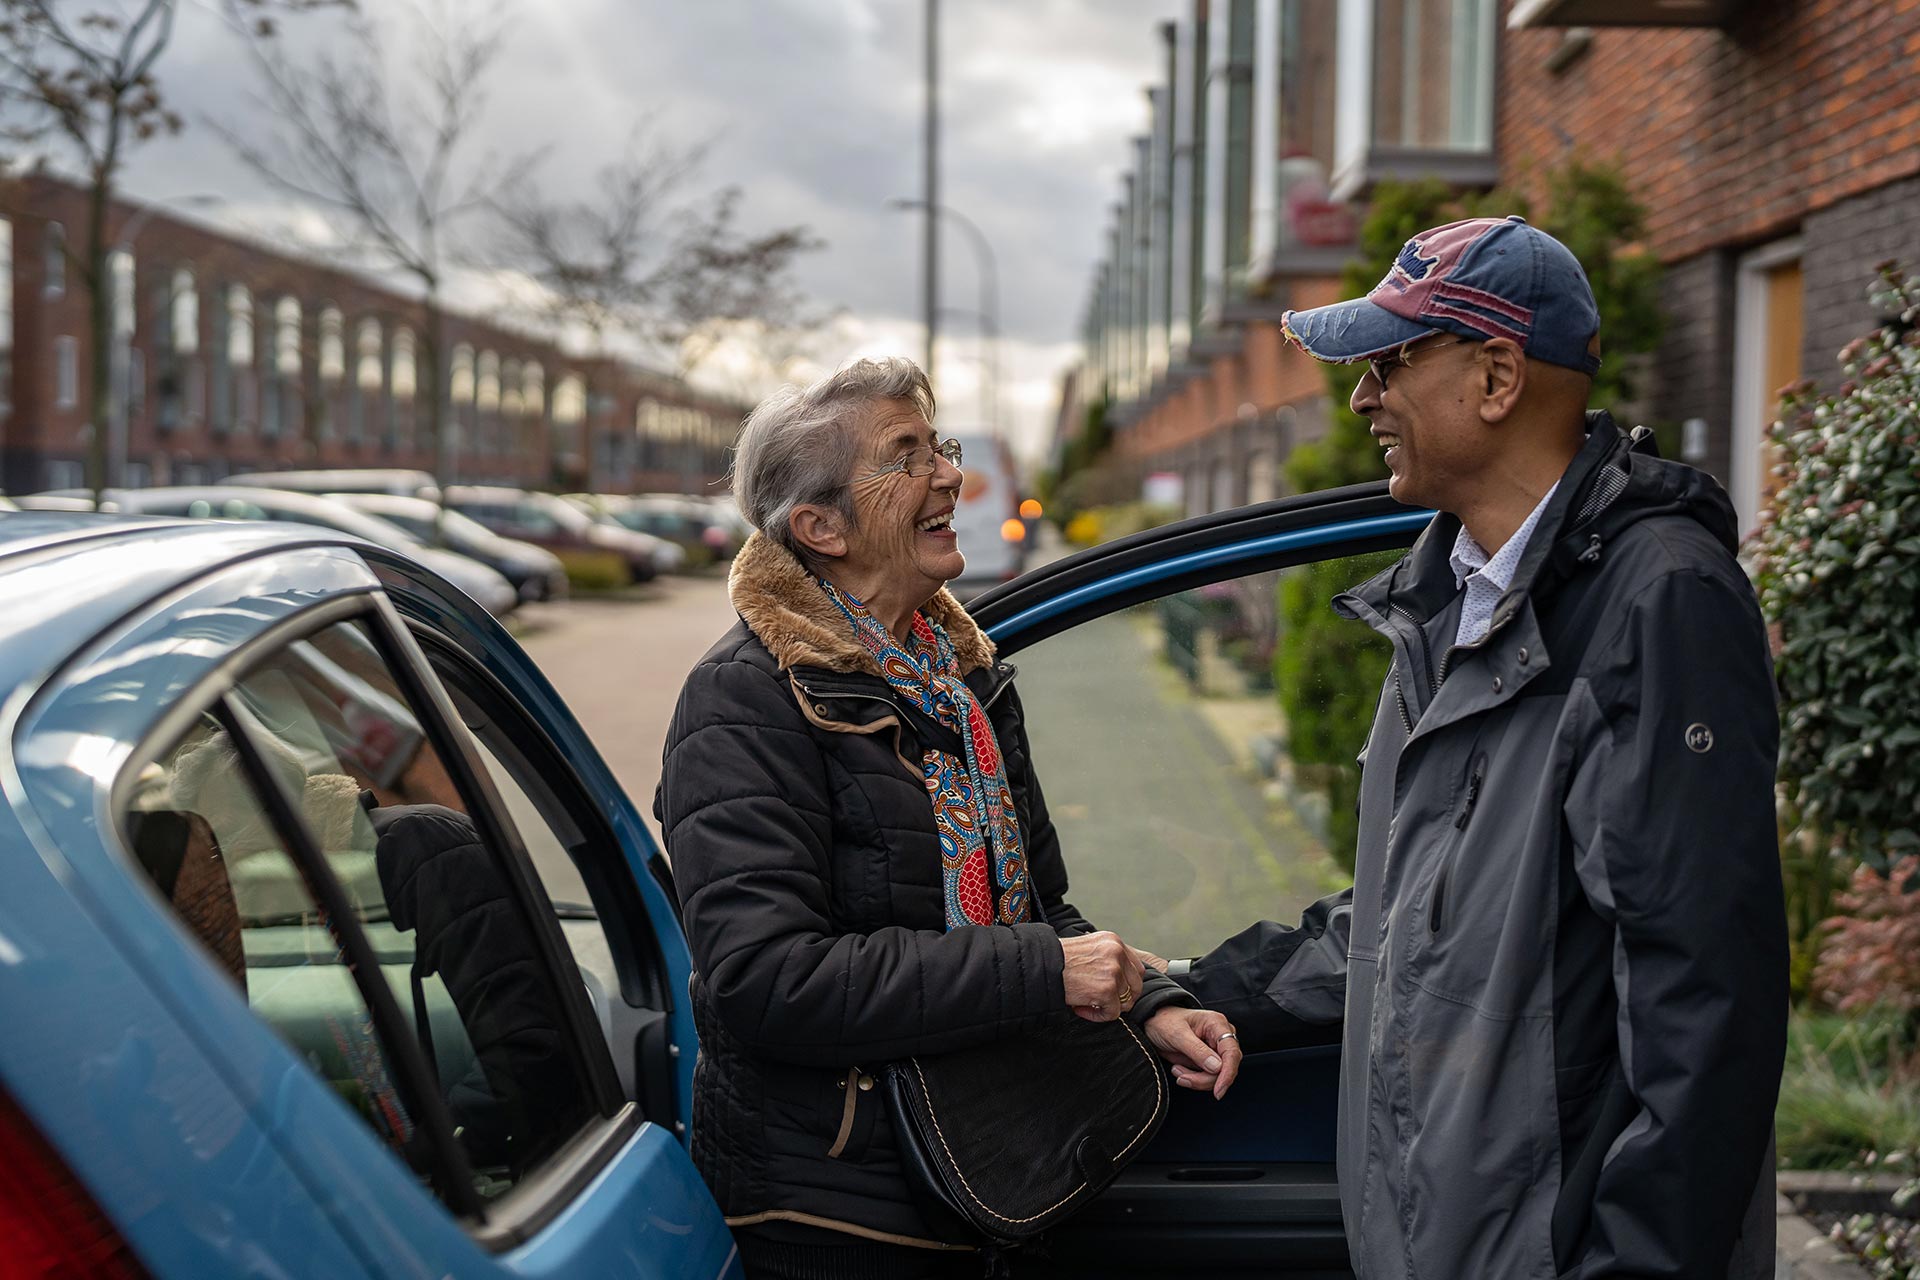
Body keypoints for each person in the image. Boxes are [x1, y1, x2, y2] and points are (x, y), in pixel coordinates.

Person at [1158, 216, 1788, 1278]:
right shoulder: (1453, 602)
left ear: (1497, 376)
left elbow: (1703, 1013)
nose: (1361, 397)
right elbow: (1416, 914)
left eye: (1389, 360)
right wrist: (1197, 986)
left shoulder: (1654, 605)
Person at [655, 357, 1244, 1279]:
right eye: (906, 457)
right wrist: (1044, 971)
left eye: (941, 446)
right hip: (839, 1218)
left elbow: (1037, 911)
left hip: (986, 1170)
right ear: (820, 526)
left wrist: (1148, 999)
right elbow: (764, 981)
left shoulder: (956, 679)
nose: (948, 477)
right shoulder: (744, 703)